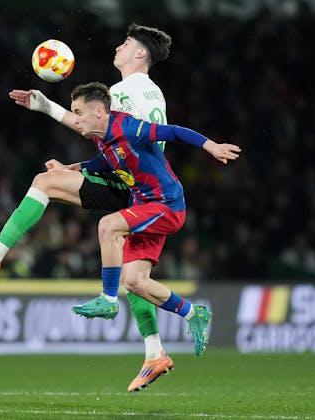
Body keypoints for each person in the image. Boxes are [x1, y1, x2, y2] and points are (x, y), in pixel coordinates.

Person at [0, 24, 182, 392]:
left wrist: (46, 107)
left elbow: (90, 126)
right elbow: (120, 144)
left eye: (126, 43)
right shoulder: (153, 92)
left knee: (45, 183)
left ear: (140, 53)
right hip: (144, 191)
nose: (118, 47)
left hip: (129, 187)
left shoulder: (124, 90)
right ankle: (154, 353)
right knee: (134, 276)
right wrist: (77, 165)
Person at [66, 82, 241, 356]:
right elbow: (103, 162)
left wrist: (211, 146)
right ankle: (193, 313)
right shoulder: (100, 138)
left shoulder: (128, 127)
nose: (75, 119)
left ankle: (108, 299)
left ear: (99, 111)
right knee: (134, 281)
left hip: (166, 205)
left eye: (78, 112)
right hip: (145, 207)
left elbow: (174, 131)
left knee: (107, 225)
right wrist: (70, 168)